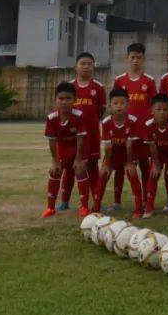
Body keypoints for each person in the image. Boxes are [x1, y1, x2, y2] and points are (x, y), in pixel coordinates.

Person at [112, 42, 158, 207]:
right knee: (120, 166)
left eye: (139, 57)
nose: (135, 61)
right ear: (127, 58)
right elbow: (114, 105)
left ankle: (146, 198)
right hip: (123, 131)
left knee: (145, 165)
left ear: (143, 59)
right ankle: (117, 201)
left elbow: (154, 106)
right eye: (133, 57)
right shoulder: (119, 81)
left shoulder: (150, 81)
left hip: (143, 131)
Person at [41, 82, 93, 218]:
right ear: (56, 100)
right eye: (61, 99)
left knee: (80, 169)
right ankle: (50, 208)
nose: (64, 102)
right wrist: (55, 161)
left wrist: (79, 158)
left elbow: (81, 139)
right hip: (62, 148)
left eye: (68, 99)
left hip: (79, 148)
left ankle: (84, 207)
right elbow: (52, 141)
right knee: (54, 171)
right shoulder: (51, 118)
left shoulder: (79, 115)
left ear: (74, 100)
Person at [93, 88, 145, 217]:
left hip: (128, 154)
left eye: (122, 103)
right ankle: (95, 207)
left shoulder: (133, 120)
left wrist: (130, 163)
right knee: (104, 174)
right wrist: (107, 164)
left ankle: (139, 209)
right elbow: (108, 147)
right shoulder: (106, 122)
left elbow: (130, 145)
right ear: (110, 105)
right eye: (115, 103)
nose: (119, 106)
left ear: (128, 104)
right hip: (112, 154)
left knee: (132, 173)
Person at [68, 51, 106, 211]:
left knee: (92, 166)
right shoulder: (70, 87)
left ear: (93, 67)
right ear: (76, 66)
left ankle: (96, 200)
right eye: (83, 63)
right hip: (71, 135)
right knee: (70, 167)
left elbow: (101, 110)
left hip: (92, 134)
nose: (86, 66)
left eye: (89, 64)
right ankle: (64, 201)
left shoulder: (98, 87)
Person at [142, 93, 168, 218]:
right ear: (152, 110)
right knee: (153, 175)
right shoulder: (148, 125)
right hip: (157, 156)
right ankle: (149, 207)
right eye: (158, 110)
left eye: (165, 109)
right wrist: (157, 165)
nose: (162, 112)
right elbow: (152, 147)